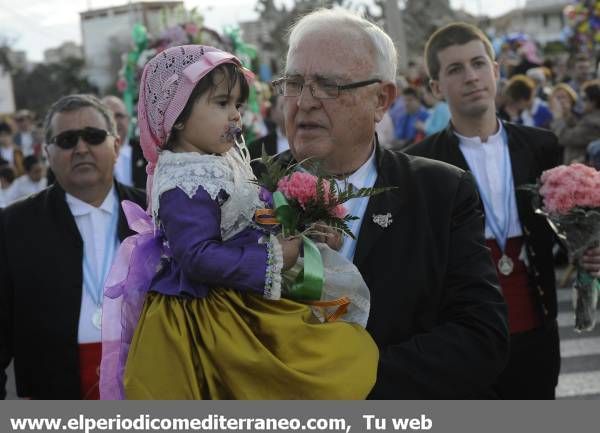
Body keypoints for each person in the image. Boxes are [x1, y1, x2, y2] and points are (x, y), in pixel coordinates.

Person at [101, 44, 378, 400]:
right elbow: (196, 255)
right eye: (221, 103)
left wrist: (299, 229)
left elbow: (248, 215)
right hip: (207, 316)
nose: (235, 116)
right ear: (178, 115)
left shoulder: (219, 159)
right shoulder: (184, 176)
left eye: (237, 105)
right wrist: (274, 255)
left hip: (236, 297)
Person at [267, 8, 509, 398]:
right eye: (294, 83)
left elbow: (480, 337)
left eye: (329, 85)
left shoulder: (441, 193)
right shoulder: (247, 190)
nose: (305, 102)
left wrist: (349, 379)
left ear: (381, 99)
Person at [406, 22, 600, 399]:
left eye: (479, 64)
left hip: (536, 331)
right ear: (435, 88)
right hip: (461, 339)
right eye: (455, 69)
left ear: (496, 71)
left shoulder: (543, 146)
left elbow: (559, 231)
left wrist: (587, 247)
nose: (471, 77)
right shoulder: (419, 163)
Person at [0, 94, 146, 399]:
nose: (81, 148)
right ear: (48, 154)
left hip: (147, 386)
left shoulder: (152, 212)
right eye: (66, 140)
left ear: (116, 146)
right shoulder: (13, 225)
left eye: (93, 136)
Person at [101, 96, 147, 189]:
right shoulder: (91, 155)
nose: (114, 122)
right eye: (108, 116)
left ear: (128, 119)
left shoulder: (146, 153)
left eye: (119, 116)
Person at [551, 80, 600, 164]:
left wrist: (558, 118)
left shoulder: (594, 123)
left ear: (593, 101)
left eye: (584, 98)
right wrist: (567, 114)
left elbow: (565, 137)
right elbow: (576, 127)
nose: (581, 102)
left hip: (581, 172)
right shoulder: (590, 117)